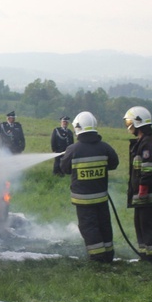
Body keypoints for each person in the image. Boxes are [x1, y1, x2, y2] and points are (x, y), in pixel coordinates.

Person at [60, 112, 119, 263]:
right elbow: (114, 163)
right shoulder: (105, 147)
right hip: (101, 197)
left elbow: (64, 169)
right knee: (104, 224)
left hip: (83, 200)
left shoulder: (73, 149)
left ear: (78, 129)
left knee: (89, 227)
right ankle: (108, 254)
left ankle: (98, 257)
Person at [123, 106, 152, 268]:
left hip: (151, 197)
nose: (128, 125)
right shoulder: (142, 142)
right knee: (142, 227)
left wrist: (143, 189)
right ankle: (145, 258)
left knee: (151, 229)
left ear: (138, 123)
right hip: (144, 198)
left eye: (129, 121)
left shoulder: (148, 144)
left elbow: (149, 168)